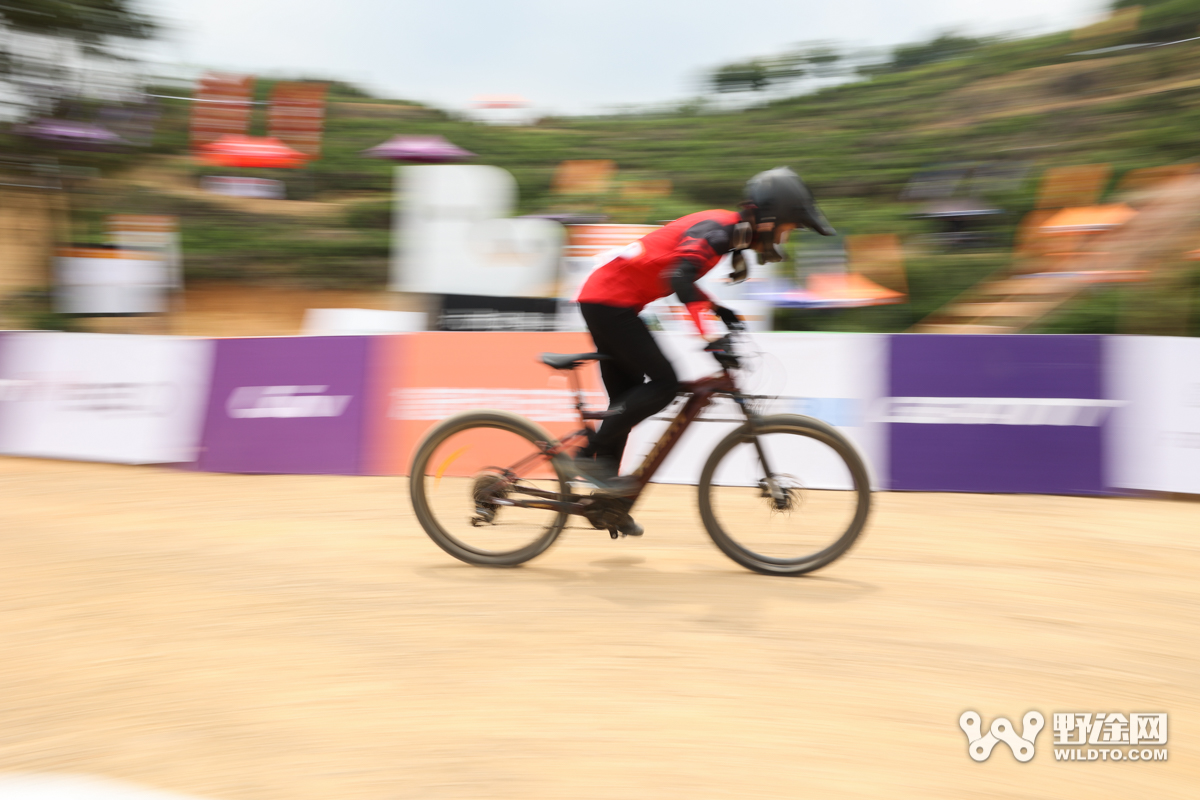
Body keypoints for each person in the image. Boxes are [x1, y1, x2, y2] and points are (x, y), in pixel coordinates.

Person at [572, 166, 836, 501]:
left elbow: (683, 274)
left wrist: (718, 310)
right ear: (770, 218)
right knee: (665, 383)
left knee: (628, 400)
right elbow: (678, 277)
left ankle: (606, 500)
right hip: (609, 303)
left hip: (609, 301)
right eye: (788, 227)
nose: (785, 237)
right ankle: (584, 458)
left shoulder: (729, 232)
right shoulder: (720, 231)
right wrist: (711, 337)